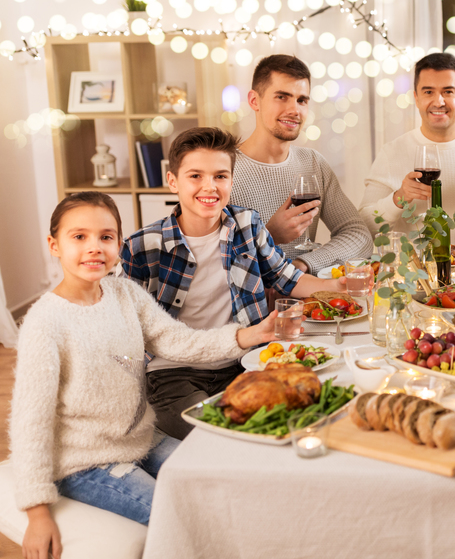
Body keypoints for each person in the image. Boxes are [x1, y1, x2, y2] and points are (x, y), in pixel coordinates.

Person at [12, 192, 285, 559]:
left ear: (119, 244)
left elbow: (178, 341)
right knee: (180, 516)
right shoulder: (44, 323)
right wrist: (37, 511)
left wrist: (248, 336)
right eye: (79, 236)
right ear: (54, 245)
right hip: (87, 462)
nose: (94, 247)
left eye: (106, 237)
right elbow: (30, 421)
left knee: (218, 479)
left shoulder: (125, 294)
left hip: (142, 438)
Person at [122, 127, 343, 440]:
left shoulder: (247, 225)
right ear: (173, 181)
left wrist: (342, 287)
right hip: (175, 373)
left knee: (297, 416)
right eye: (195, 176)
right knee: (218, 435)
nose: (209, 187)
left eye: (220, 176)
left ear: (231, 180)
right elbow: (124, 329)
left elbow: (287, 278)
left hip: (243, 363)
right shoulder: (143, 246)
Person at [231, 54, 373, 274]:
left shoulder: (313, 163)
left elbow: (359, 236)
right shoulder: (223, 170)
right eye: (282, 97)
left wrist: (303, 265)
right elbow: (208, 260)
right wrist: (268, 236)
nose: (294, 110)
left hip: (304, 294)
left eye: (302, 100)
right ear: (254, 100)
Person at [359, 52, 455, 249]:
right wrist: (398, 198)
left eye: (448, 92)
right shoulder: (391, 153)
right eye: (428, 92)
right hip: (413, 268)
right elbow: (363, 229)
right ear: (416, 98)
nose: (439, 102)